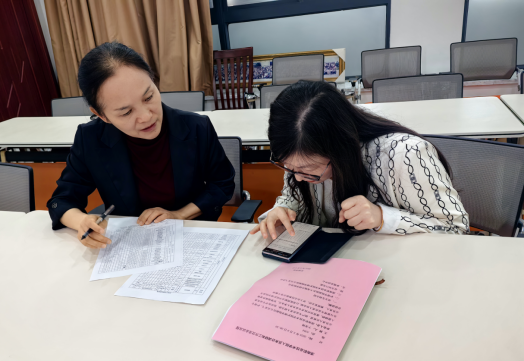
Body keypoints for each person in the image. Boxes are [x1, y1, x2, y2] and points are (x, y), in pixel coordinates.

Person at [48, 42, 235, 249]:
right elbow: (62, 200)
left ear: (154, 81)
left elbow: (222, 184)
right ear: (101, 115)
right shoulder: (91, 139)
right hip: (129, 245)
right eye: (126, 112)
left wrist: (179, 214)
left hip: (189, 236)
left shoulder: (196, 127)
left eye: (149, 97)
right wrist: (82, 221)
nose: (146, 117)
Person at [250, 81, 469, 239]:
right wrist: (284, 208)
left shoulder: (405, 155)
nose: (297, 177)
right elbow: (293, 195)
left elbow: (456, 228)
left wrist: (382, 217)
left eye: (308, 169)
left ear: (340, 150)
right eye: (288, 167)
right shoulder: (299, 161)